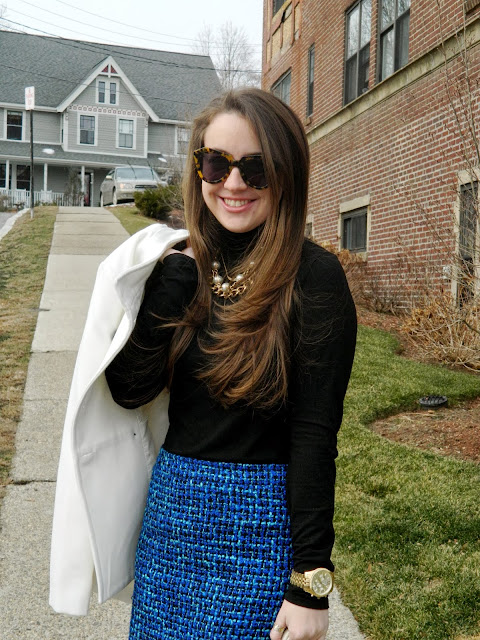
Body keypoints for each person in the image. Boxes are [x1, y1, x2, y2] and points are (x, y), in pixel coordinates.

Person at [49, 88, 357, 640]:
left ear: (287, 174)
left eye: (256, 168)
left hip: (261, 528)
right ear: (199, 170)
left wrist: (309, 583)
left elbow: (315, 436)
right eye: (216, 164)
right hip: (171, 522)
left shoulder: (313, 278)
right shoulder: (174, 265)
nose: (233, 183)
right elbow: (129, 390)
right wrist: (175, 279)